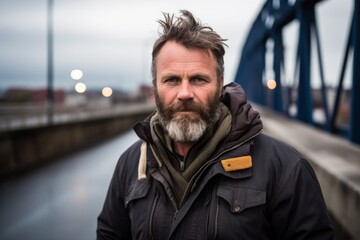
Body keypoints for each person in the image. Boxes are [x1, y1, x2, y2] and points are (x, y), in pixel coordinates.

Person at [97, 10, 333, 239]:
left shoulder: (285, 169)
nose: (185, 93)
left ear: (220, 86)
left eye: (199, 79)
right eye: (171, 80)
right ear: (155, 88)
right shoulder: (131, 165)